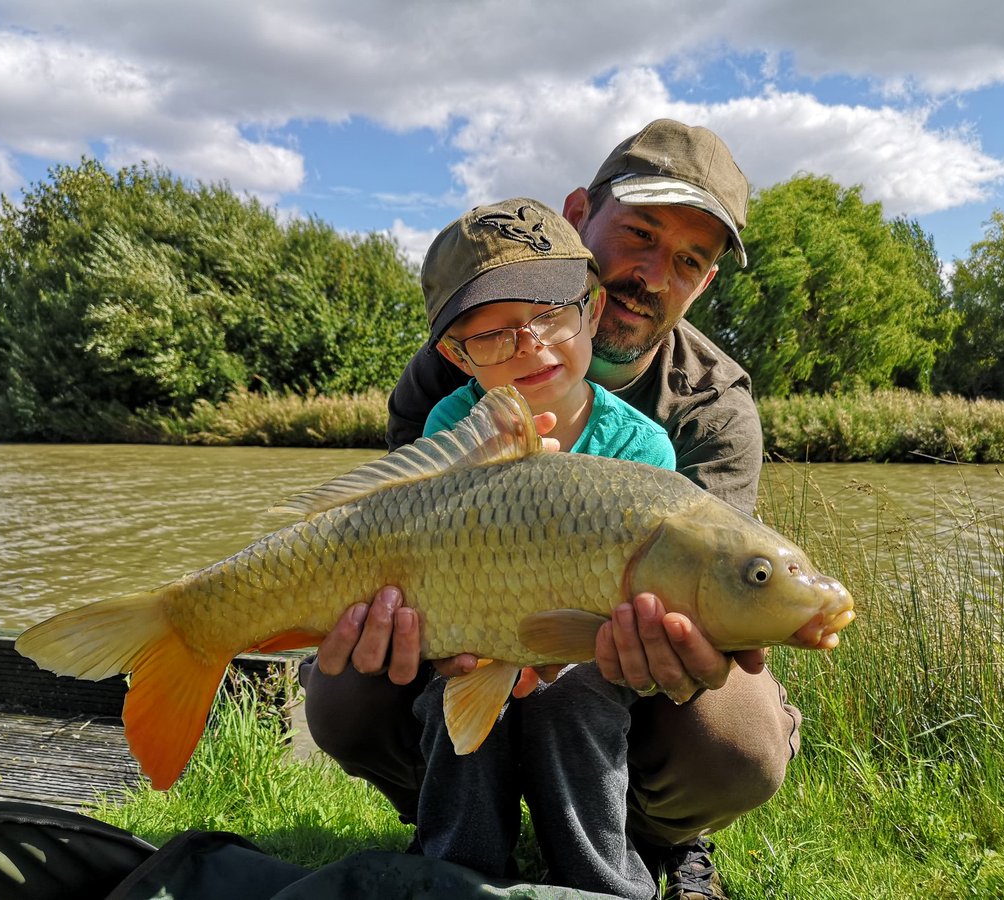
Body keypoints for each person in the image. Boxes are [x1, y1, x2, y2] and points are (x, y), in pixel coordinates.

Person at [302, 119, 801, 900]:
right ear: (578, 215)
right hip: (472, 633)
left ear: (704, 283)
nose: (653, 273)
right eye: (638, 233)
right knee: (339, 681)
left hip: (618, 670)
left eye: (689, 261)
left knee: (740, 734)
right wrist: (444, 636)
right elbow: (395, 528)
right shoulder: (446, 378)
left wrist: (695, 644)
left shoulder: (711, 403)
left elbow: (721, 590)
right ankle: (451, 826)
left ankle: (661, 838)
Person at [411, 197, 676, 898]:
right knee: (451, 695)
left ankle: (600, 884)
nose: (530, 344)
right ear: (455, 354)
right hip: (471, 638)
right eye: (493, 335)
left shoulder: (641, 447)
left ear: (590, 312)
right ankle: (457, 878)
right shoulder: (448, 422)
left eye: (550, 315)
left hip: (593, 655)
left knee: (576, 696)